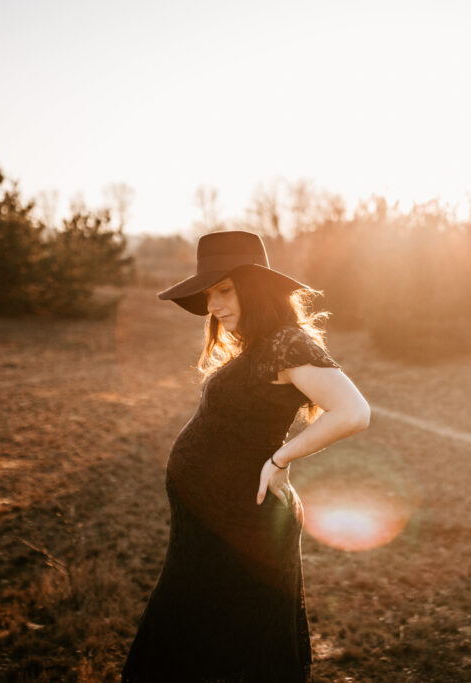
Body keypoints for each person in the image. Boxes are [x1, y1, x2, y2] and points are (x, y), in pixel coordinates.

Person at [121, 231, 370, 682]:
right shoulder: (260, 346)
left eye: (224, 290)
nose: (213, 305)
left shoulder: (286, 343)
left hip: (243, 523)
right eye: (208, 294)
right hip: (213, 523)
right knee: (201, 632)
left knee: (235, 643)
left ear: (253, 287)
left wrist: (280, 459)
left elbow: (354, 412)